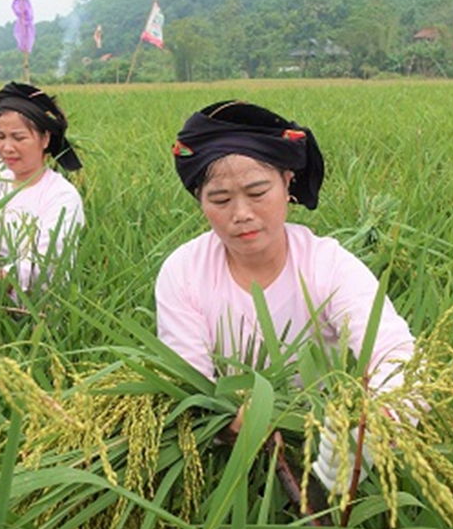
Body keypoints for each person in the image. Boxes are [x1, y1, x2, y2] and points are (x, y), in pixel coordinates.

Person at [155, 100, 416, 493]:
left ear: (287, 183)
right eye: (220, 200)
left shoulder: (327, 265)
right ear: (200, 201)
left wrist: (375, 421)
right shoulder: (184, 271)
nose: (241, 213)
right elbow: (188, 382)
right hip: (228, 457)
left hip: (322, 440)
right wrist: (229, 418)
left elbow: (394, 352)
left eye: (258, 192)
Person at [0, 81, 85, 294]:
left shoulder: (61, 196)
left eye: (19, 138)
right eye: (0, 137)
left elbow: (46, 262)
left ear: (44, 139)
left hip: (40, 313)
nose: (7, 147)